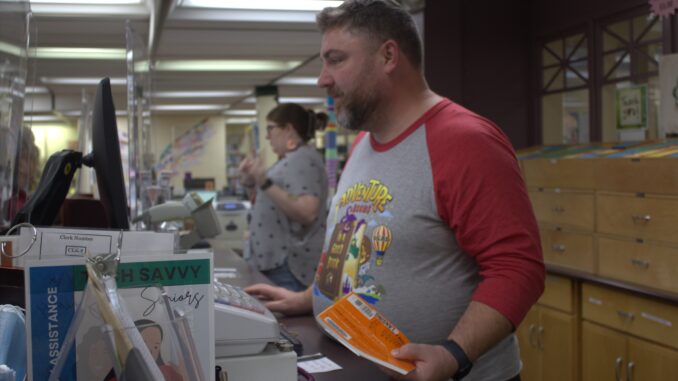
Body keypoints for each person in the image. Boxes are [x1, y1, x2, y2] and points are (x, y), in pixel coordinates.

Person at [245, 1, 545, 381]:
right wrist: (309, 298)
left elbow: (518, 267)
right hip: (355, 363)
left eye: (335, 60)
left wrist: (453, 354)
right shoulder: (363, 145)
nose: (322, 79)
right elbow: (351, 242)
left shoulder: (465, 141)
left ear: (389, 56)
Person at [239, 103, 329, 291]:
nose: (267, 136)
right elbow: (272, 203)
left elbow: (307, 211)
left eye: (270, 129)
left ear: (288, 129)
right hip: (276, 263)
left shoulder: (303, 159)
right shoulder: (290, 160)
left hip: (289, 266)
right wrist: (251, 181)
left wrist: (264, 182)